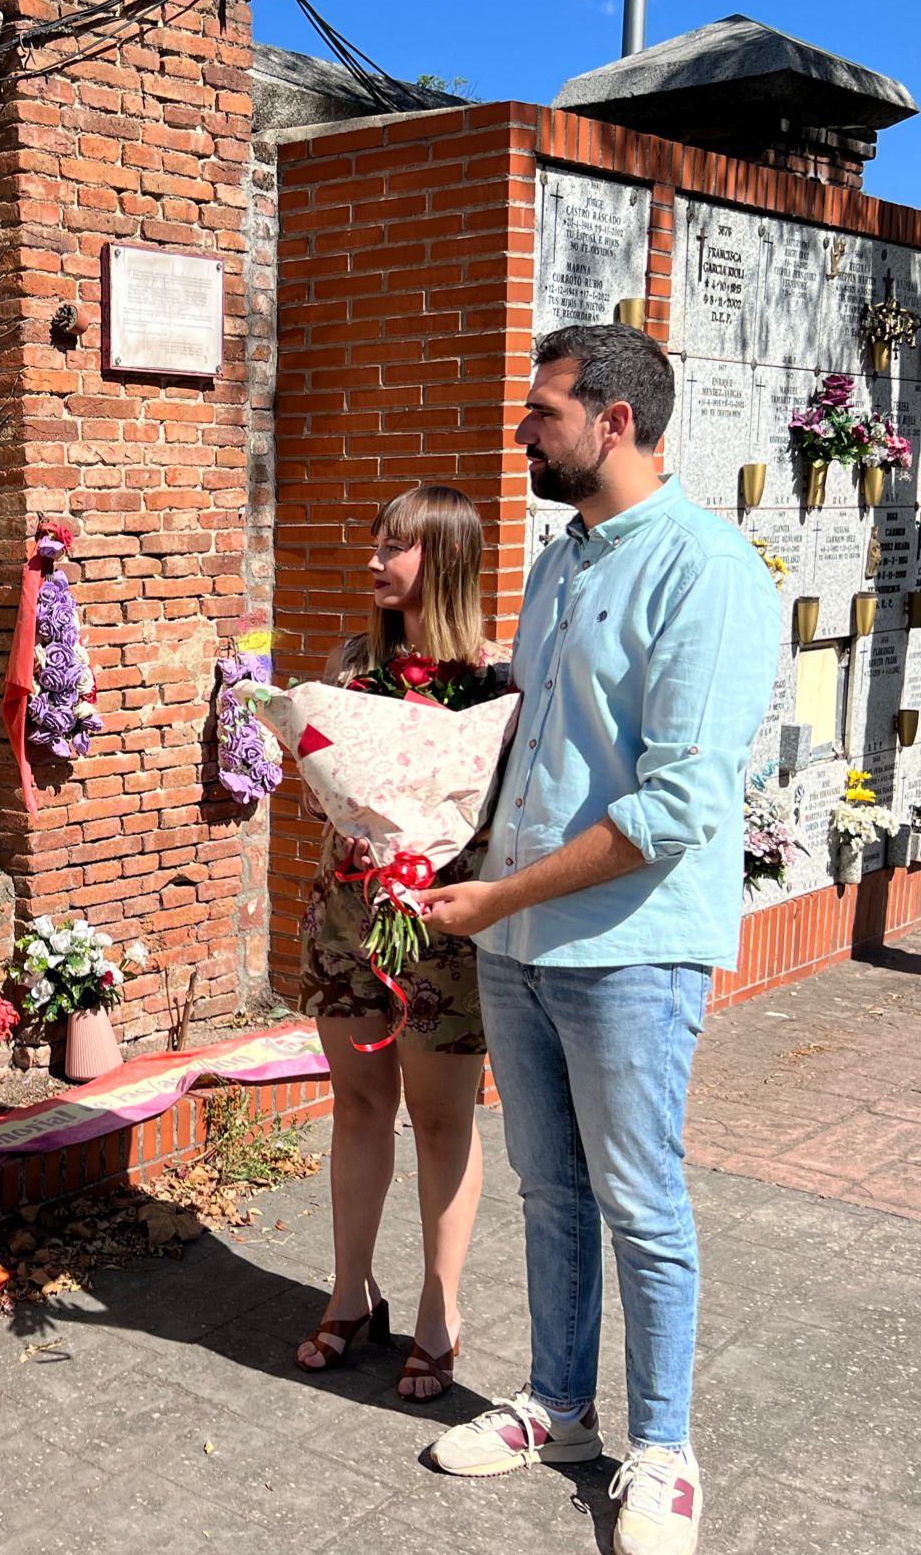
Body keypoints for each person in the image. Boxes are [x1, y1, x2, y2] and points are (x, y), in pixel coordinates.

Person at [419, 324, 781, 1555]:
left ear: (611, 422)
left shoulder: (706, 571)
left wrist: (497, 899)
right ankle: (560, 1408)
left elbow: (676, 808)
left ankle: (663, 1450)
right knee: (550, 1190)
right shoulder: (560, 559)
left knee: (638, 1197)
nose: (522, 431)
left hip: (623, 946)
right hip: (516, 942)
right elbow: (544, 723)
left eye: (540, 412)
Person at [293, 484, 504, 1404]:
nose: (375, 560)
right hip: (348, 917)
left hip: (444, 929)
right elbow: (319, 792)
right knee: (356, 1105)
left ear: (446, 560)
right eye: (376, 542)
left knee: (446, 1119)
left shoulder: (498, 683)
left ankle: (439, 1308)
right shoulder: (349, 666)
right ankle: (350, 1289)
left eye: (397, 547)